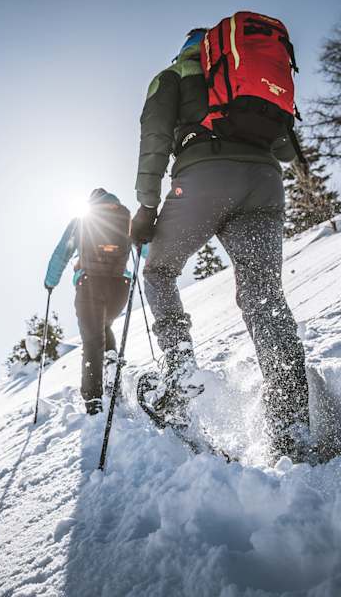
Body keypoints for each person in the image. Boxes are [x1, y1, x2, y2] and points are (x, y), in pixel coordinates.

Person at [130, 28, 310, 462]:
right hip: (265, 183)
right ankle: (292, 424)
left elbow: (154, 137)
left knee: (158, 271)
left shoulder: (171, 75)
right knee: (264, 298)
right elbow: (285, 150)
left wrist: (145, 206)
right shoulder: (247, 78)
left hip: (203, 179)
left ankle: (178, 369)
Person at [45, 188, 138, 415]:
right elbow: (145, 248)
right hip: (120, 287)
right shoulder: (126, 220)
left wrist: (50, 282)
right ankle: (112, 366)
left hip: (90, 285)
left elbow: (62, 253)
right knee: (104, 327)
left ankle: (94, 400)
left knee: (92, 339)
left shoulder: (82, 221)